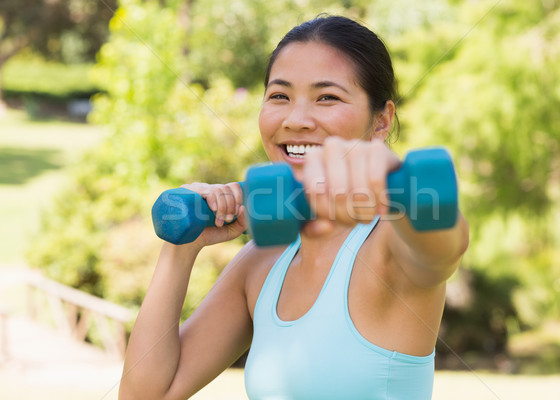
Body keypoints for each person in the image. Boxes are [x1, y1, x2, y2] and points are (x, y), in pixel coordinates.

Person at [119, 15, 469, 400]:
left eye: (327, 98)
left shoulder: (391, 246)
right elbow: (145, 395)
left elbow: (442, 243)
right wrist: (180, 250)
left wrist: (393, 181)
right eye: (279, 96)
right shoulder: (261, 263)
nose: (296, 120)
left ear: (381, 121)